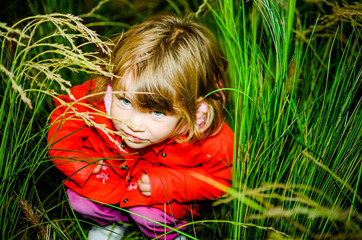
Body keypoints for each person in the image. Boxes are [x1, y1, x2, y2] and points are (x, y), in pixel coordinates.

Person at [48, 13, 233, 240]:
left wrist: (169, 184)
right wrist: (75, 159)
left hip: (158, 195)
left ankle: (171, 234)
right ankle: (109, 223)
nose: (133, 124)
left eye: (157, 112)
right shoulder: (97, 97)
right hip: (111, 178)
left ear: (192, 108)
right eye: (125, 101)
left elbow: (221, 179)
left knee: (149, 217)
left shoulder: (210, 136)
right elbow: (64, 117)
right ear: (112, 81)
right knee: (80, 200)